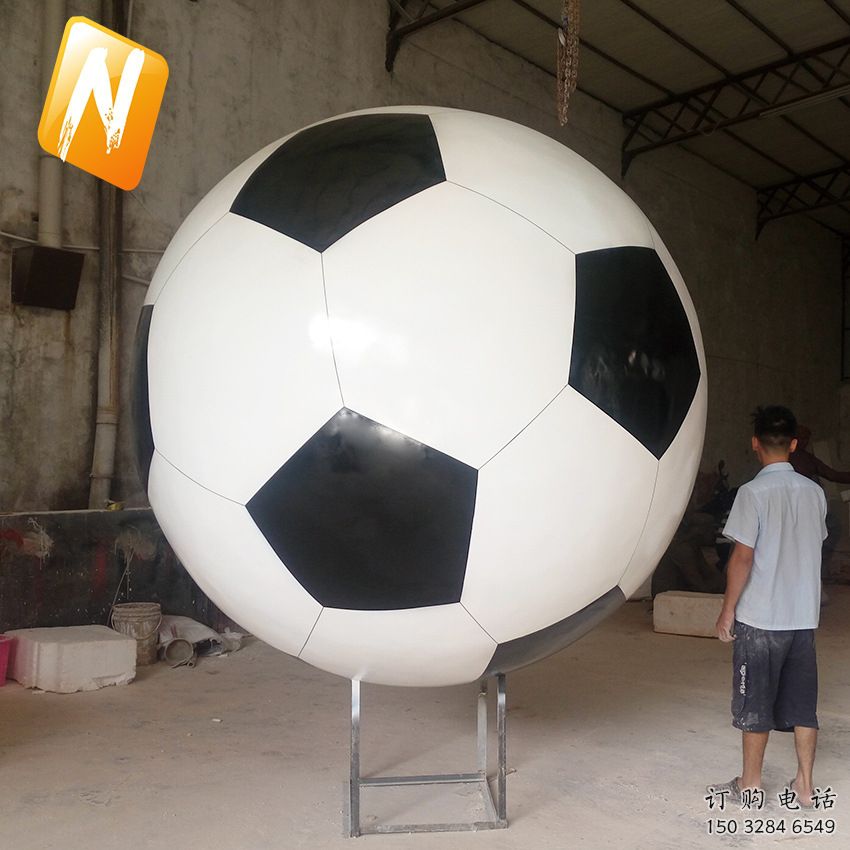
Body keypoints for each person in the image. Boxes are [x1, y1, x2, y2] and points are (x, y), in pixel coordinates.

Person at [709, 406, 827, 808]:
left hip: (761, 619)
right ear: (793, 445)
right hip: (802, 618)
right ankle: (805, 785)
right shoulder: (814, 493)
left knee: (755, 704)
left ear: (755, 443)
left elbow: (742, 558)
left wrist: (727, 611)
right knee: (803, 706)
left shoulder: (752, 493)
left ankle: (751, 786)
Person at [651, 511, 725, 597]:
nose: (714, 533)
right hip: (667, 596)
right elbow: (696, 582)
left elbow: (709, 574)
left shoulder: (693, 547)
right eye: (711, 529)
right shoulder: (682, 549)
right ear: (699, 531)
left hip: (678, 593)